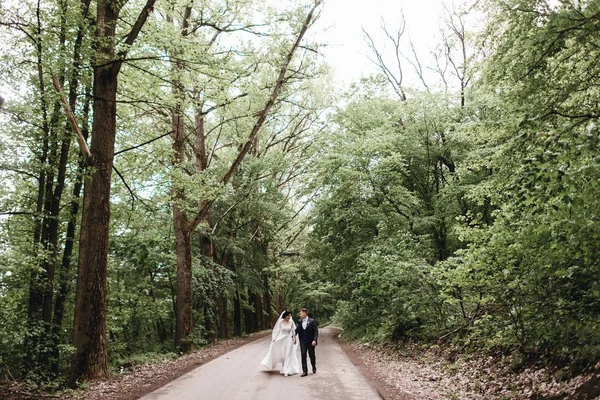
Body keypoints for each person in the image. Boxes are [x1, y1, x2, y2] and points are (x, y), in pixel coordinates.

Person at [261, 310, 301, 376]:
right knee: (283, 354)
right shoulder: (280, 322)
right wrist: (274, 339)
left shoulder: (291, 322)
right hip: (281, 339)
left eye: (290, 315)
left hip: (289, 339)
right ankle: (284, 367)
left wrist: (294, 339)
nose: (289, 317)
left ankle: (287, 371)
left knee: (288, 354)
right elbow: (277, 331)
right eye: (288, 315)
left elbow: (294, 331)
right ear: (285, 316)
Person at [295, 308, 318, 377]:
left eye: (301, 313)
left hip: (311, 341)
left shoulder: (312, 321)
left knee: (311, 355)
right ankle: (305, 371)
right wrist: (293, 336)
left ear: (305, 313)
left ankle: (313, 366)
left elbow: (315, 331)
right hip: (303, 341)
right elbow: (297, 330)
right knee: (303, 355)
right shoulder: (299, 322)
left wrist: (314, 340)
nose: (300, 315)